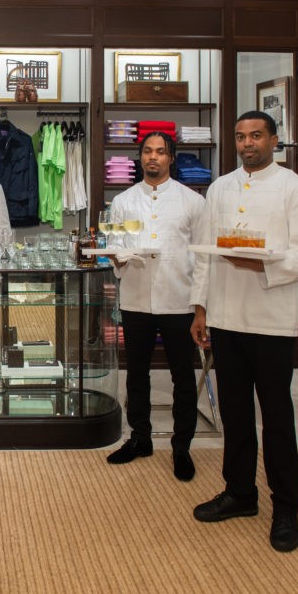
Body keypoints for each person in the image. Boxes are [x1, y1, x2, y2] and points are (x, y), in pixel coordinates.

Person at [189, 110, 298, 552]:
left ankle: (286, 506)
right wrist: (200, 308)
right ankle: (240, 493)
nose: (248, 144)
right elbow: (206, 255)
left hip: (271, 319)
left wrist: (264, 264)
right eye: (241, 137)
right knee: (235, 411)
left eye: (256, 136)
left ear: (274, 139)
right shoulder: (220, 187)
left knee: (277, 417)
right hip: (225, 316)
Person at [105, 132, 205, 481]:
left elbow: (203, 259)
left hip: (179, 300)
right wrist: (116, 255)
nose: (153, 158)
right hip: (136, 299)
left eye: (160, 152)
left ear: (171, 158)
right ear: (140, 157)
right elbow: (115, 244)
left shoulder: (193, 202)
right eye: (147, 151)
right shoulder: (123, 201)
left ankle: (182, 446)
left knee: (182, 377)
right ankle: (140, 438)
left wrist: (200, 307)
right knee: (136, 374)